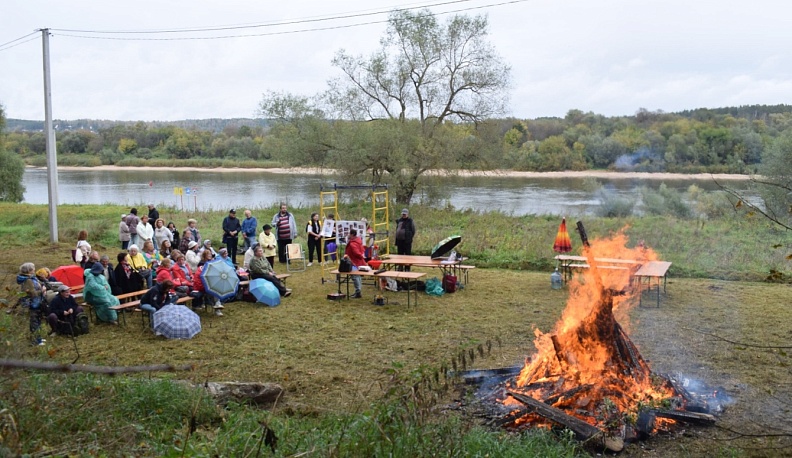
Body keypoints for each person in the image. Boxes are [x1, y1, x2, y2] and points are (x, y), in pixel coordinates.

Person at [17, 262, 46, 345]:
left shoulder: (32, 278)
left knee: (38, 320)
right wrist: (42, 291)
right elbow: (33, 293)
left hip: (37, 302)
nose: (34, 269)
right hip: (32, 303)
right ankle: (36, 341)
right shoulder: (28, 280)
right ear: (29, 270)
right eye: (33, 268)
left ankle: (38, 338)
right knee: (34, 322)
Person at [345, 229, 367, 298]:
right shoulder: (358, 241)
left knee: (355, 277)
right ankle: (358, 291)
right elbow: (362, 250)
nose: (348, 235)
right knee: (358, 277)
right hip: (359, 262)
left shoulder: (352, 244)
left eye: (349, 234)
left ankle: (358, 292)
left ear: (352, 234)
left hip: (354, 262)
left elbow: (356, 252)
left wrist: (360, 256)